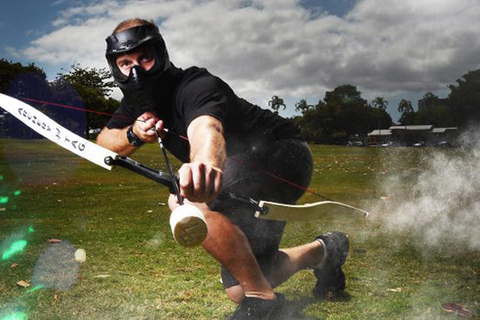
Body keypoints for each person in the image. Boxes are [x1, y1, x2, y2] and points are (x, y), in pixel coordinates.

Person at [97, 18, 349, 319]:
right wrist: (134, 135)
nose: (135, 70)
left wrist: (205, 165)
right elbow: (103, 141)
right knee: (241, 285)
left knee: (183, 199)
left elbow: (206, 128)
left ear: (160, 54)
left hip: (281, 154)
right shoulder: (135, 104)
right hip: (243, 173)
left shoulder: (196, 85)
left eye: (144, 58)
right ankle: (326, 251)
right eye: (125, 63)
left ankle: (263, 304)